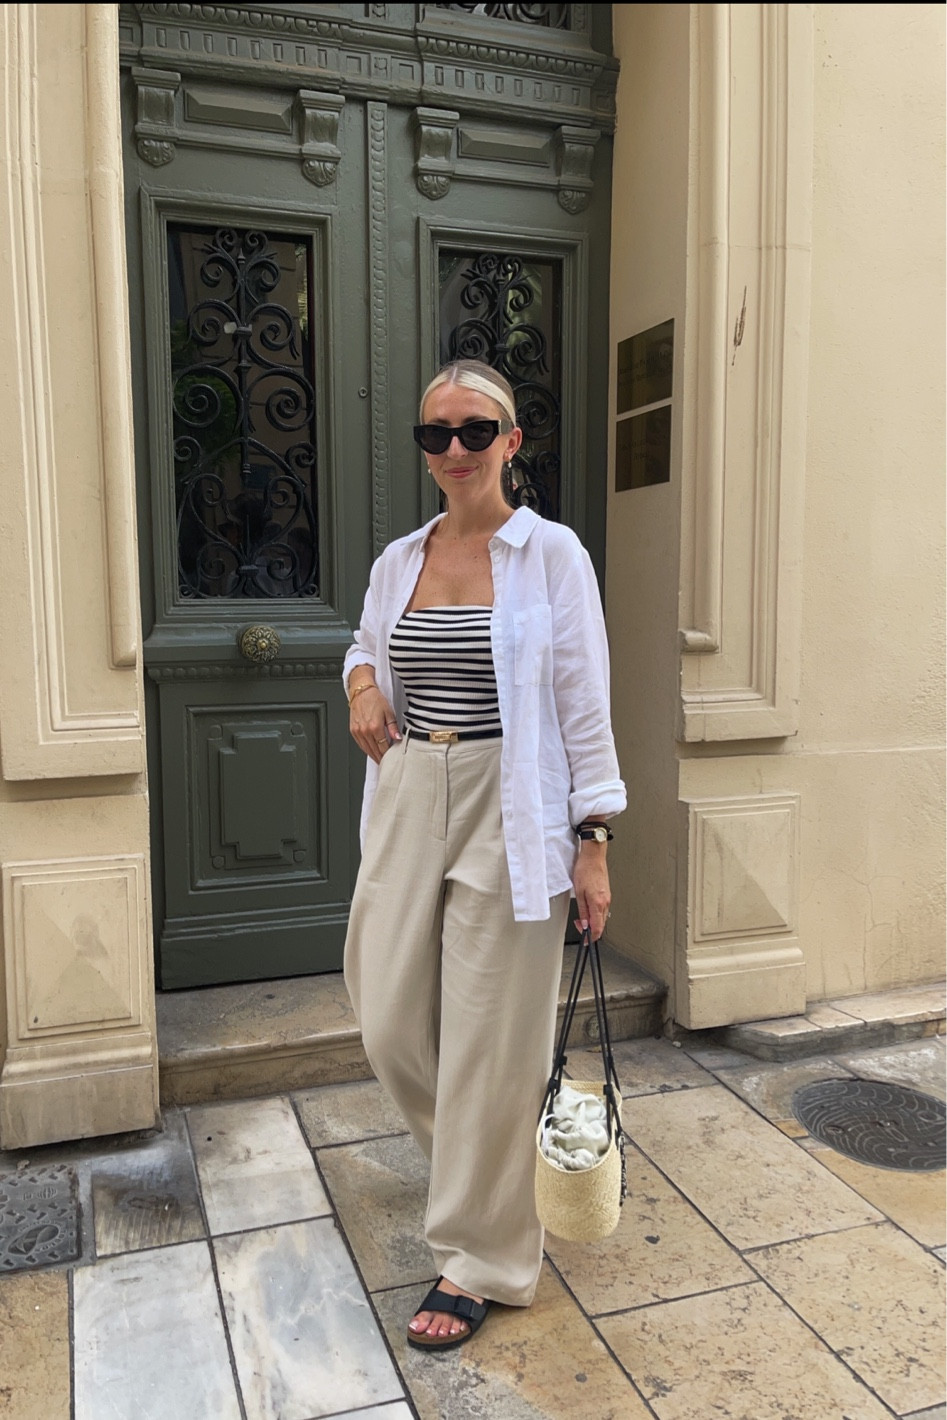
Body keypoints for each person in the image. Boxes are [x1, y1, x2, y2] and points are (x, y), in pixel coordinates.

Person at [342, 358, 625, 1351]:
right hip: (414, 790)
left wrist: (592, 843)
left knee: (493, 1042)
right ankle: (486, 1181)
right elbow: (364, 642)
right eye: (434, 434)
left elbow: (583, 701)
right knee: (385, 1018)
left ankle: (483, 1258)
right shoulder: (397, 559)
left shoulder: (550, 554)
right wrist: (362, 682)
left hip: (515, 799)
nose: (453, 450)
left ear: (510, 440)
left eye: (474, 429)